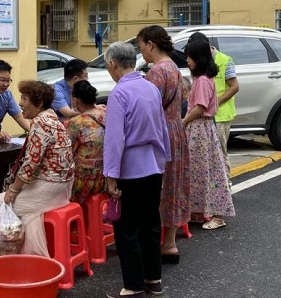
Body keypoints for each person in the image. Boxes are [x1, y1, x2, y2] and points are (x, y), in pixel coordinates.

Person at [103, 41, 170, 298]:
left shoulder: (119, 94)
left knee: (127, 229)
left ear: (113, 64)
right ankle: (153, 279)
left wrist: (110, 175)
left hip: (129, 168)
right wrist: (165, 158)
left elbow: (114, 140)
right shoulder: (150, 88)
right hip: (153, 164)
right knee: (150, 223)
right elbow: (162, 127)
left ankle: (133, 285)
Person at [0, 80, 74, 256]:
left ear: (39, 103)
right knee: (30, 215)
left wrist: (13, 189)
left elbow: (31, 164)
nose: (20, 103)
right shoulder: (54, 120)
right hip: (62, 188)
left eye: (25, 99)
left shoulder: (40, 122)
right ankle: (28, 258)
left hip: (49, 188)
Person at [137, 25, 190, 264]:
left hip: (161, 132)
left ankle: (154, 242)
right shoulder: (174, 68)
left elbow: (148, 107)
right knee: (173, 185)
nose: (141, 52)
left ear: (150, 44)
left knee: (155, 186)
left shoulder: (157, 71)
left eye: (141, 47)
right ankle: (169, 242)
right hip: (176, 129)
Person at [182, 39, 235, 231]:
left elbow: (200, 108)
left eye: (190, 57)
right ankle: (199, 211)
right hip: (201, 129)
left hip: (200, 129)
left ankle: (217, 216)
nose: (187, 60)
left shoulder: (203, 80)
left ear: (198, 58)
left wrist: (183, 121)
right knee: (200, 171)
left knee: (208, 171)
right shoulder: (202, 78)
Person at [66, 80, 106, 204]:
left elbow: (67, 151)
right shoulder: (107, 114)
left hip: (84, 179)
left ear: (75, 100)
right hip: (106, 175)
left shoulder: (77, 122)